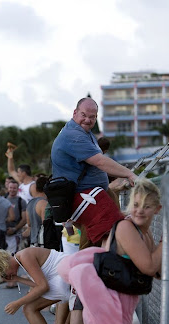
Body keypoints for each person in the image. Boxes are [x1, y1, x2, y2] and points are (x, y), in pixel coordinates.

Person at [57, 178, 162, 324]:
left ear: (157, 209)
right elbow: (150, 266)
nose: (140, 210)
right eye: (135, 204)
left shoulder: (143, 232)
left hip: (109, 312)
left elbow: (154, 270)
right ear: (128, 205)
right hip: (111, 314)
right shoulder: (126, 228)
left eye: (147, 206)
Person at [51, 97, 137, 245]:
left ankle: (96, 265)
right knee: (106, 234)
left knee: (104, 235)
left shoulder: (83, 132)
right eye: (84, 115)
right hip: (83, 194)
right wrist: (130, 174)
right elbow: (100, 161)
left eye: (92, 117)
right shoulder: (74, 135)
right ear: (75, 113)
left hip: (94, 192)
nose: (87, 120)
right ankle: (88, 267)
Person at [22, 176, 49, 247]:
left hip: (33, 242)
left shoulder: (30, 203)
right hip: (42, 243)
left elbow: (29, 224)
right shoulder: (44, 204)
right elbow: (46, 225)